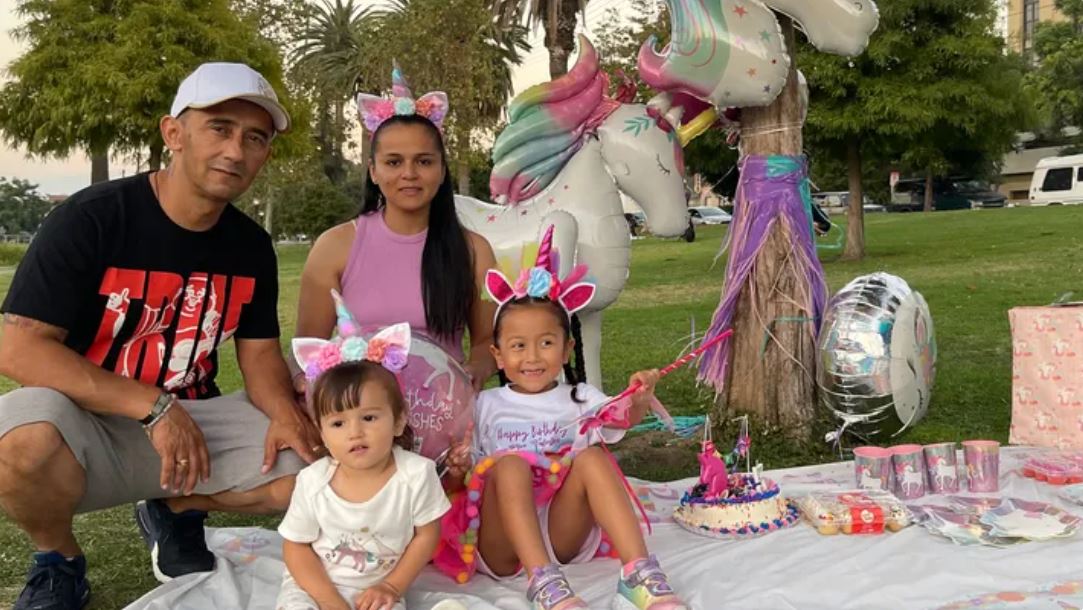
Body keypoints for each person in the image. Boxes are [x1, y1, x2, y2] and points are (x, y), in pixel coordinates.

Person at [0, 62, 320, 610]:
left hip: (194, 423)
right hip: (90, 420)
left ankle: (174, 506)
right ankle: (59, 561)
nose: (236, 151)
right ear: (173, 133)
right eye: (219, 128)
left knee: (315, 466)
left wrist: (291, 420)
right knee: (20, 440)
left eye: (255, 138)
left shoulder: (249, 246)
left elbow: (261, 356)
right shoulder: (93, 218)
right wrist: (151, 407)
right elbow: (16, 345)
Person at [436, 228, 689, 610]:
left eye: (547, 342)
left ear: (568, 349)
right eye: (519, 346)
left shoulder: (581, 398)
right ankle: (543, 585)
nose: (533, 357)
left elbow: (621, 420)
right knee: (508, 467)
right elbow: (462, 480)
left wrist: (640, 398)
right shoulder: (485, 404)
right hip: (502, 545)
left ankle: (638, 574)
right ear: (498, 355)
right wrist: (457, 467)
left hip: (562, 534)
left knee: (593, 457)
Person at [294, 64, 497, 397]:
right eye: (393, 162)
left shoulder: (474, 250)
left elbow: (486, 342)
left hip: (442, 411)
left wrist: (475, 370)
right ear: (373, 171)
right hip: (361, 423)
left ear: (442, 170)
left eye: (424, 161)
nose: (409, 173)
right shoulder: (334, 246)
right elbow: (307, 352)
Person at [281, 323, 450, 610]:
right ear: (322, 433)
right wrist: (329, 601)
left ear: (398, 421)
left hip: (376, 590)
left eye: (369, 418)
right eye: (338, 423)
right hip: (315, 586)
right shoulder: (313, 482)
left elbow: (427, 535)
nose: (354, 432)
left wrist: (391, 586)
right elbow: (296, 547)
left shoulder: (416, 474)